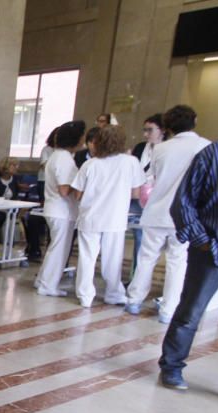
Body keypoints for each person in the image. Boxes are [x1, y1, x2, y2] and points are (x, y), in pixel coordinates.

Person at [157, 135, 218, 391]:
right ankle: (172, 367)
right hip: (211, 251)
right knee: (190, 313)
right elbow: (183, 203)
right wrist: (202, 240)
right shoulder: (212, 155)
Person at [126, 105, 210, 323]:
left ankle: (134, 299)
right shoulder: (205, 147)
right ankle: (168, 309)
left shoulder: (161, 149)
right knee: (177, 261)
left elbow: (151, 178)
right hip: (185, 215)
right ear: (195, 120)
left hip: (156, 211)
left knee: (146, 257)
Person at [71, 124, 145, 308]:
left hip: (90, 216)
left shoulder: (90, 164)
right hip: (115, 217)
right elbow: (136, 193)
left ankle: (85, 295)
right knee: (113, 258)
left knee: (87, 257)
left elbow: (77, 194)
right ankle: (114, 293)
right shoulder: (131, 162)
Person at [33, 121, 85, 297]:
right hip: (61, 210)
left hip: (56, 209)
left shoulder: (57, 156)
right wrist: (81, 182)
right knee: (59, 249)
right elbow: (64, 190)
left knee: (54, 247)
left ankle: (42, 279)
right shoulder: (64, 158)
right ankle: (48, 285)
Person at [128, 113, 165, 269]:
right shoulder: (141, 147)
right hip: (138, 198)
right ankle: (136, 275)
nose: (145, 134)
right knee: (139, 236)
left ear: (162, 130)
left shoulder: (167, 149)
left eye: (149, 130)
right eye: (144, 130)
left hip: (159, 199)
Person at [36, 127, 58, 203]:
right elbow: (44, 165)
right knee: (44, 202)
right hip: (44, 180)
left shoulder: (64, 151)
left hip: (57, 182)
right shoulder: (46, 149)